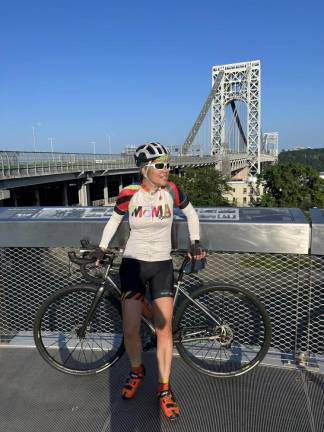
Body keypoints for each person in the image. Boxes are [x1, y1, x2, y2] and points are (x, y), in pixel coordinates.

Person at [97, 142, 205, 420]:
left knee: (163, 329)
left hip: (161, 265)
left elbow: (191, 213)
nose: (166, 170)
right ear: (144, 169)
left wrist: (195, 241)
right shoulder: (128, 194)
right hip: (133, 264)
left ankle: (165, 389)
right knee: (131, 329)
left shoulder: (172, 191)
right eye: (160, 165)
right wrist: (101, 247)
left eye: (168, 164)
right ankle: (137, 370)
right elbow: (113, 220)